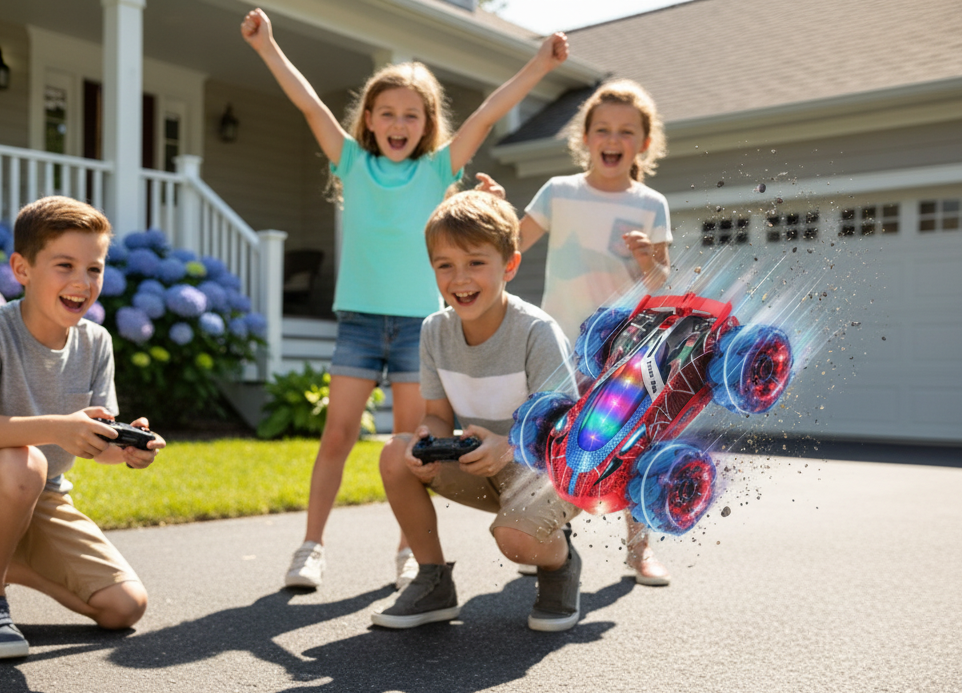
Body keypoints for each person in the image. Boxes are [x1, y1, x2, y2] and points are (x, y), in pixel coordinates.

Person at [241, 7, 568, 591]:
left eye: (410, 115)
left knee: (416, 441)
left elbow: (492, 111)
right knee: (337, 434)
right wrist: (268, 48)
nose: (398, 123)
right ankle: (310, 546)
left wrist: (540, 63)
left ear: (427, 124)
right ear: (368, 119)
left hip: (422, 326)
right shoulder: (354, 162)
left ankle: (407, 553)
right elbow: (310, 104)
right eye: (386, 113)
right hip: (361, 323)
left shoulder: (439, 168)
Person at [0, 195, 165, 660]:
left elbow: (94, 442)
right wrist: (57, 427)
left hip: (40, 494)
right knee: (22, 459)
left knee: (124, 608)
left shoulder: (96, 343)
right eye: (64, 265)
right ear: (21, 269)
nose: (82, 282)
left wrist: (126, 451)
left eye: (94, 269)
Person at [477, 79, 674, 587]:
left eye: (626, 131)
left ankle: (639, 549)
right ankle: (546, 536)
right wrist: (497, 205)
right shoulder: (559, 192)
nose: (613, 138)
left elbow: (661, 282)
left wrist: (646, 258)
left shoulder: (651, 203)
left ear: (644, 144)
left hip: (622, 353)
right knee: (549, 442)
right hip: (556, 347)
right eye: (602, 129)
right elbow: (511, 242)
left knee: (630, 446)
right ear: (584, 138)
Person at [371, 190, 583, 632]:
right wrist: (425, 440)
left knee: (517, 540)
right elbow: (435, 415)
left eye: (475, 262)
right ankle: (433, 582)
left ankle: (559, 562)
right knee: (396, 453)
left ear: (510, 265)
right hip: (476, 463)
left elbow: (566, 427)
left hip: (547, 470)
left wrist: (507, 448)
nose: (459, 278)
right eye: (444, 264)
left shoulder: (535, 331)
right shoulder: (434, 330)